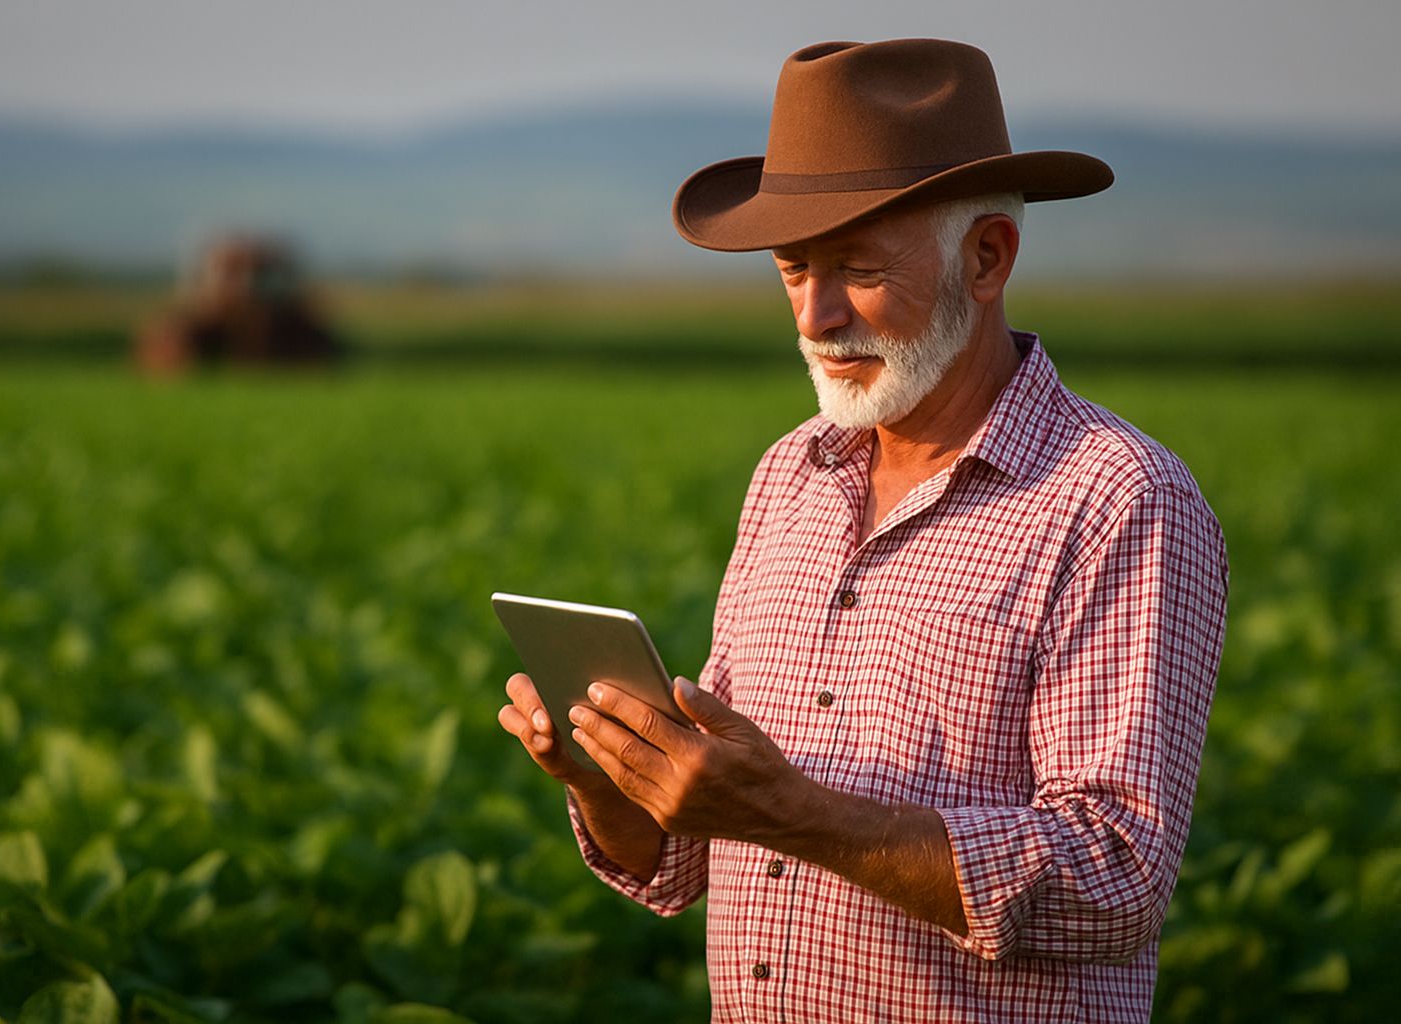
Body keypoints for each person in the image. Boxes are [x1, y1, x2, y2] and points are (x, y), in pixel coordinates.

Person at [498, 38, 1226, 1022]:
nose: (816, 313)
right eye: (793, 270)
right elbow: (681, 860)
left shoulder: (1116, 498)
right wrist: (608, 777)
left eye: (856, 268)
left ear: (987, 257)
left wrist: (796, 815)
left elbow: (1117, 878)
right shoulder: (788, 475)